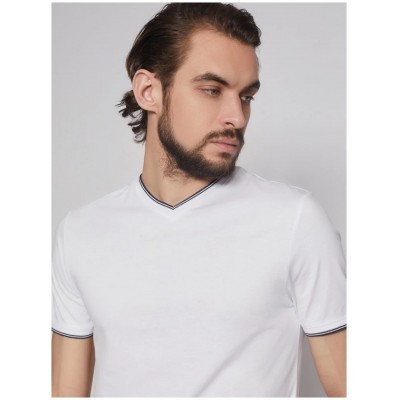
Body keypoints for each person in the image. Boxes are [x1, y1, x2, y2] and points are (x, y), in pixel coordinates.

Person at [52, 3, 346, 397]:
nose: (237, 117)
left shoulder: (294, 221)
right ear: (149, 91)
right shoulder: (81, 233)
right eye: (212, 90)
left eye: (246, 96)